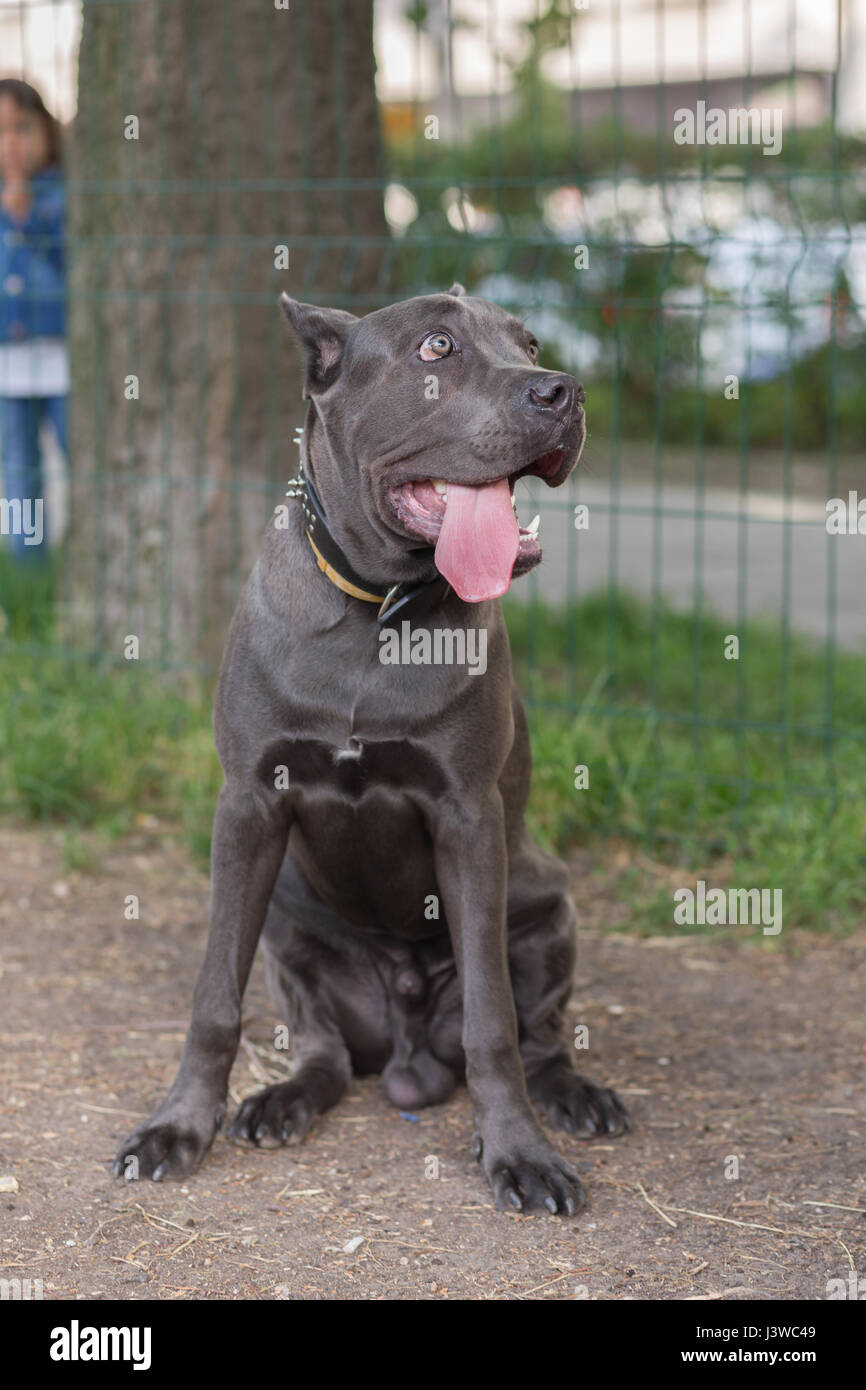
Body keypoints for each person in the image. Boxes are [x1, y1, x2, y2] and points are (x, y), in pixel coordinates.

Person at [0, 78, 67, 562]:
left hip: (62, 361)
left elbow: (64, 272)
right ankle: (28, 570)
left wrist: (27, 220)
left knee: (77, 454)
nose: (11, 145)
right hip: (9, 368)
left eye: (22, 128)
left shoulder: (62, 200)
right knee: (18, 471)